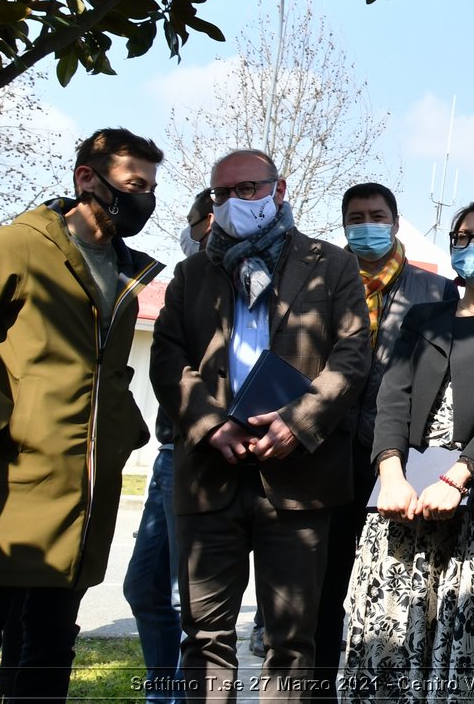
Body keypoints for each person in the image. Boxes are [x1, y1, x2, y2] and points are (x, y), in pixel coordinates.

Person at [149, 148, 369, 703]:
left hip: (297, 477)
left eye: (248, 189)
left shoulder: (333, 264)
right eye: (223, 194)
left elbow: (351, 357)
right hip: (209, 473)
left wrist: (299, 422)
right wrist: (207, 424)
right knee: (204, 639)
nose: (234, 203)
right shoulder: (192, 271)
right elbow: (166, 358)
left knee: (293, 643)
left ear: (279, 188)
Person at [342, 201, 474, 703]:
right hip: (404, 491)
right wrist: (390, 474)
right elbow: (393, 396)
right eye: (461, 237)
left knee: (461, 627)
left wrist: (457, 477)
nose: (469, 247)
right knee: (386, 624)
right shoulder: (423, 317)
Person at [0, 128, 166, 702]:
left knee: (46, 647)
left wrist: (122, 433)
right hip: (7, 491)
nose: (146, 199)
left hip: (83, 499)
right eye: (134, 184)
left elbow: (106, 376)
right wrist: (6, 426)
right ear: (87, 178)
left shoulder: (125, 277)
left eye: (152, 187)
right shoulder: (16, 247)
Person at [308, 182, 456, 699]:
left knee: (393, 587)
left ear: (395, 221)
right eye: (355, 217)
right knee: (323, 588)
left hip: (397, 457)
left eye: (376, 215)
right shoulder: (318, 283)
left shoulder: (435, 290)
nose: (366, 224)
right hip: (324, 451)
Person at [125, 187, 214, 704]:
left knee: (192, 602)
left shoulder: (242, 283)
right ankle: (164, 693)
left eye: (194, 222)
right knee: (142, 588)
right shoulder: (185, 281)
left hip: (202, 456)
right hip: (166, 454)